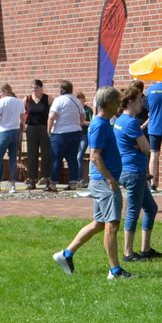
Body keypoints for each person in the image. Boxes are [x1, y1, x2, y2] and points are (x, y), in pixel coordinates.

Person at [53, 88, 131, 279]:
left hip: (102, 180)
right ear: (109, 103)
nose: (119, 105)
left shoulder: (104, 123)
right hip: (105, 182)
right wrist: (110, 179)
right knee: (112, 225)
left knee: (99, 223)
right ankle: (115, 270)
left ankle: (65, 254)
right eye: (117, 102)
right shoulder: (99, 125)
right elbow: (95, 156)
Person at [115, 89, 159, 260]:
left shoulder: (120, 120)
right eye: (140, 100)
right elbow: (147, 148)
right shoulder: (131, 123)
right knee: (133, 211)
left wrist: (138, 141)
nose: (142, 104)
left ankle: (145, 249)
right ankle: (128, 253)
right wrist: (140, 142)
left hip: (127, 169)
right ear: (131, 102)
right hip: (134, 171)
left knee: (151, 208)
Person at [49, 80, 87, 191]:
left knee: (57, 158)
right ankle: (73, 183)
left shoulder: (58, 100)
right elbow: (83, 116)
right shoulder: (76, 100)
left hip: (60, 133)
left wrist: (49, 130)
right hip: (75, 132)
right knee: (72, 158)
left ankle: (53, 183)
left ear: (61, 89)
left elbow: (52, 117)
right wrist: (78, 125)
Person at [0, 83, 25, 193]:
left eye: (0, 92)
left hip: (3, 131)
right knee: (13, 158)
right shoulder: (19, 101)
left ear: (5, 91)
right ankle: (13, 185)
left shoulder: (2, 101)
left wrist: (1, 122)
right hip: (15, 131)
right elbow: (23, 117)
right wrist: (21, 127)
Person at [22, 79, 53, 191]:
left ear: (41, 88)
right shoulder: (27, 99)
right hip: (31, 128)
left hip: (44, 128)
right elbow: (22, 113)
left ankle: (47, 179)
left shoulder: (48, 99)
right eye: (33, 88)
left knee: (46, 154)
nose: (34, 90)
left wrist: (51, 127)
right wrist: (23, 125)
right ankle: (32, 180)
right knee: (32, 154)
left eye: (36, 88)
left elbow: (54, 113)